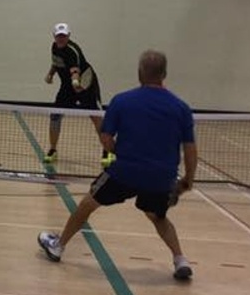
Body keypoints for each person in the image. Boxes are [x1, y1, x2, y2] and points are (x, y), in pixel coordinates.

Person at [38, 50, 196, 281]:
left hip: (124, 172)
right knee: (157, 216)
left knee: (87, 204)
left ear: (139, 73)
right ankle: (180, 260)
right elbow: (191, 150)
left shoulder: (122, 101)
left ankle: (58, 246)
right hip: (161, 178)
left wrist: (119, 151)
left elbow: (106, 139)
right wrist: (187, 182)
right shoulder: (181, 108)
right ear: (164, 74)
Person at [44, 22, 112, 167]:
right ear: (54, 36)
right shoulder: (54, 47)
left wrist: (76, 82)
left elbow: (75, 70)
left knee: (96, 117)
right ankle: (52, 150)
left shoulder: (72, 50)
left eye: (63, 36)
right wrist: (50, 74)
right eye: (58, 36)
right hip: (68, 87)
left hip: (85, 84)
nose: (61, 39)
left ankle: (107, 151)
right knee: (55, 115)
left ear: (68, 36)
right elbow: (56, 62)